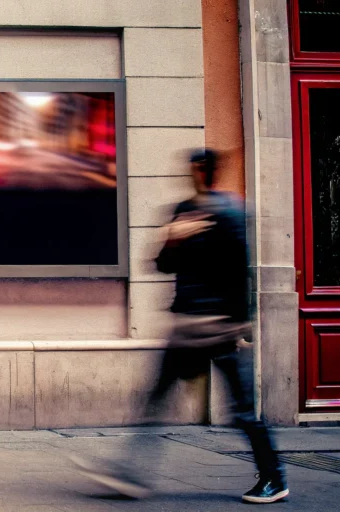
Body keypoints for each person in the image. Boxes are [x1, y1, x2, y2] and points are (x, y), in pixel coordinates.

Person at [73, 149, 287, 504]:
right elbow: (160, 264)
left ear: (209, 172)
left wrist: (239, 323)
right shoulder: (183, 210)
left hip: (217, 328)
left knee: (242, 410)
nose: (194, 176)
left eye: (200, 169)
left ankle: (274, 478)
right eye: (192, 170)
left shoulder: (232, 214)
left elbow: (240, 272)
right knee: (155, 399)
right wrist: (174, 237)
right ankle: (129, 475)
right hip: (187, 325)